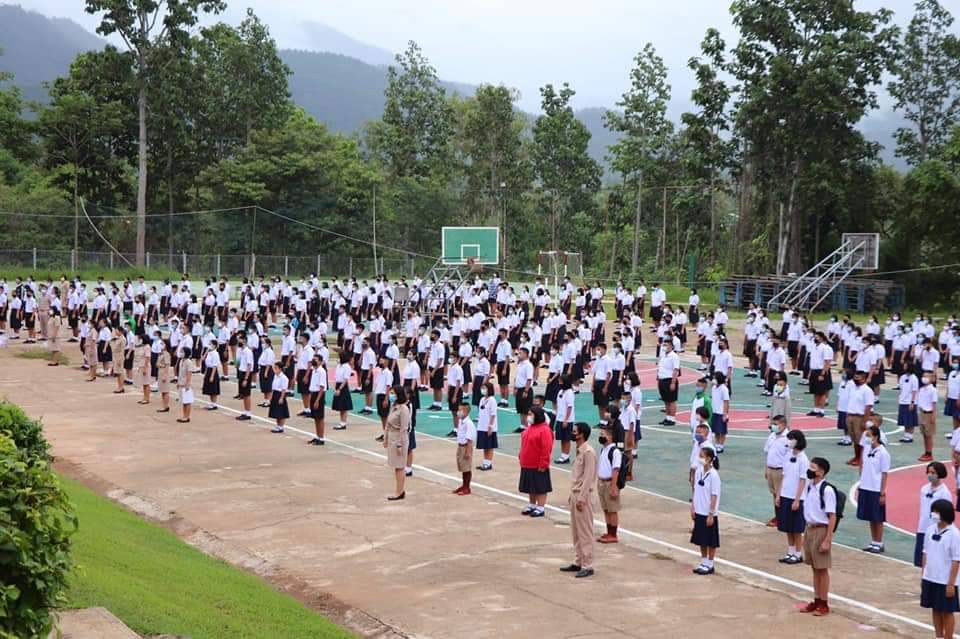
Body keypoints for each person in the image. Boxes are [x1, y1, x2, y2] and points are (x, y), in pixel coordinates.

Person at [800, 457, 837, 617]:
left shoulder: (827, 490)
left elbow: (832, 516)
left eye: (813, 468)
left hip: (821, 530)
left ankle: (824, 603)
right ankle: (816, 600)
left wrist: (827, 540)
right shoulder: (810, 486)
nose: (810, 470)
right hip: (809, 529)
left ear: (821, 472)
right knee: (814, 568)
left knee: (822, 569)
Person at [561, 422, 598, 579]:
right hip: (575, 494)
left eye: (575, 431)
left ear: (582, 434)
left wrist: (582, 498)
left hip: (583, 496)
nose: (572, 433)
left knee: (585, 532)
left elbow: (588, 478)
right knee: (576, 531)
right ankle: (578, 560)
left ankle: (587, 564)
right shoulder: (579, 451)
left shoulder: (588, 452)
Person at [921, 499, 960, 639]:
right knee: (935, 608)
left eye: (936, 511)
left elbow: (956, 560)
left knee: (947, 611)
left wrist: (951, 584)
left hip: (945, 580)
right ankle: (938, 636)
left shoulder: (954, 534)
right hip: (930, 577)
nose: (933, 514)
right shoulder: (930, 529)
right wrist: (923, 575)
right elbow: (925, 552)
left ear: (944, 513)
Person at [857, 424, 890, 553]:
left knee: (878, 518)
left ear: (876, 437)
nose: (866, 438)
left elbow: (884, 473)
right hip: (865, 486)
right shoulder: (866, 449)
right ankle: (874, 541)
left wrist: (882, 492)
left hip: (876, 489)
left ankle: (879, 542)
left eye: (869, 435)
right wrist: (860, 483)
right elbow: (863, 465)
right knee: (870, 517)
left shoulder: (883, 453)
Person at [777, 429, 809, 565]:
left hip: (797, 497)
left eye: (791, 439)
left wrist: (797, 499)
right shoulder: (788, 455)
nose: (789, 441)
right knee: (787, 526)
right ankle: (790, 551)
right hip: (785, 495)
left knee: (796, 528)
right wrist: (778, 495)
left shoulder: (803, 459)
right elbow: (783, 476)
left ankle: (798, 553)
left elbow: (803, 480)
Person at [691, 444, 721, 575]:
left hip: (708, 512)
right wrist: (693, 507)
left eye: (702, 456)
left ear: (709, 458)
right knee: (701, 539)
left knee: (710, 540)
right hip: (699, 510)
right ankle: (703, 562)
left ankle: (710, 564)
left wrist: (711, 513)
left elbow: (714, 495)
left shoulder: (714, 475)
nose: (700, 458)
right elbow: (695, 490)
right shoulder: (699, 472)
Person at [518, 405, 553, 517]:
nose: (528, 416)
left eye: (530, 414)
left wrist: (543, 463)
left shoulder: (545, 430)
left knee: (540, 486)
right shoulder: (529, 428)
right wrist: (521, 455)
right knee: (531, 486)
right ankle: (532, 504)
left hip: (538, 464)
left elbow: (546, 448)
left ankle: (541, 507)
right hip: (527, 463)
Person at [917, 462, 952, 568]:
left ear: (939, 474)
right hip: (923, 528)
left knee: (933, 561)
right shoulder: (924, 489)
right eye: (928, 472)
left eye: (933, 473)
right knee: (920, 561)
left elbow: (947, 514)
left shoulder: (944, 493)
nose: (930, 475)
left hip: (936, 529)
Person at [597, 421, 622, 544]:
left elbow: (616, 469)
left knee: (612, 509)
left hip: (609, 482)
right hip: (602, 482)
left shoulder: (615, 451)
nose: (600, 437)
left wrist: (613, 486)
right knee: (606, 509)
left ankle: (613, 534)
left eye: (603, 434)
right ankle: (609, 531)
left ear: (610, 436)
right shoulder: (603, 449)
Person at [385, 385, 411, 501]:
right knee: (396, 466)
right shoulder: (393, 406)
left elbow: (404, 428)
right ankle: (399, 490)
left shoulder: (404, 409)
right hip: (392, 438)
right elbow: (388, 424)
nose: (391, 395)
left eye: (393, 393)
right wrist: (386, 438)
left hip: (399, 439)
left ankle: (399, 491)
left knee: (400, 467)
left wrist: (399, 444)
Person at [763, 415, 789, 527]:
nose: (773, 426)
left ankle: (782, 518)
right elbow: (767, 452)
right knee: (774, 494)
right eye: (773, 424)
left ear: (784, 425)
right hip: (771, 469)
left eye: (776, 424)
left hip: (780, 470)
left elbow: (789, 457)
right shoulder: (772, 436)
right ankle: (778, 516)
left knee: (781, 495)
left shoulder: (788, 439)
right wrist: (766, 468)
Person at [452, 402, 476, 495]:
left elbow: (469, 439)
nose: (459, 412)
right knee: (462, 467)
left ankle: (467, 487)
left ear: (466, 411)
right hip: (460, 446)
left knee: (466, 468)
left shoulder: (468, 423)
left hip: (466, 447)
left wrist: (468, 452)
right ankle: (463, 485)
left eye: (460, 410)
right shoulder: (461, 421)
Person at [657, 338, 681, 425]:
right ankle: (667, 417)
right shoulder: (663, 355)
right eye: (663, 345)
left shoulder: (674, 356)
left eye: (666, 345)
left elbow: (675, 370)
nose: (664, 347)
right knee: (666, 400)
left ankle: (672, 419)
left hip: (669, 380)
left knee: (672, 400)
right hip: (662, 379)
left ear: (671, 346)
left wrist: (673, 382)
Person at [476, 381, 498, 471]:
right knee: (484, 445)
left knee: (489, 446)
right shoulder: (482, 399)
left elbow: (493, 414)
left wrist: (490, 426)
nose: (483, 390)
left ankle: (488, 463)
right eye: (482, 388)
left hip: (489, 426)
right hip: (482, 426)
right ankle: (485, 462)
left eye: (484, 388)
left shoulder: (492, 400)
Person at [554, 375, 576, 464]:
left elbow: (569, 407)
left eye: (561, 381)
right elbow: (558, 403)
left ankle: (566, 456)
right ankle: (563, 455)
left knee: (566, 438)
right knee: (562, 438)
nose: (559, 383)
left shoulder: (569, 393)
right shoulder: (560, 391)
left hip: (567, 420)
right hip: (559, 418)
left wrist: (566, 420)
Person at [918, 373, 939, 462]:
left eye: (927, 376)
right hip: (922, 413)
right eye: (923, 376)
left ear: (932, 378)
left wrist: (933, 416)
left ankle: (929, 453)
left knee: (929, 435)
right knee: (924, 434)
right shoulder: (921, 389)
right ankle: (926, 451)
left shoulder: (933, 390)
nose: (924, 378)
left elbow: (934, 404)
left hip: (929, 413)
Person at [307, 355, 327, 446]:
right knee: (315, 417)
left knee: (320, 417)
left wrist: (317, 400)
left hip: (319, 395)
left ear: (320, 361)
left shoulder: (321, 371)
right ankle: (317, 436)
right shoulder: (314, 370)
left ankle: (321, 438)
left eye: (316, 359)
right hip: (313, 394)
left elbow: (322, 387)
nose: (313, 360)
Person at [332, 350, 354, 430]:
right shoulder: (339, 365)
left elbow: (345, 379)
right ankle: (341, 421)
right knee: (340, 406)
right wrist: (335, 388)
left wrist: (339, 389)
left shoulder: (347, 367)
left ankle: (343, 423)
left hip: (343, 386)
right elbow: (336, 377)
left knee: (344, 406)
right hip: (338, 384)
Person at [898, 368, 920, 444]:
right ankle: (905, 435)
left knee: (910, 420)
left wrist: (912, 402)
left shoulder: (914, 378)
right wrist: (900, 399)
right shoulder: (902, 377)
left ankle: (910, 436)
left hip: (909, 402)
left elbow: (914, 391)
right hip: (902, 401)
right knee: (905, 420)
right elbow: (901, 389)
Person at [710, 371, 730, 453]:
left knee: (722, 431)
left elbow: (726, 402)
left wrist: (725, 414)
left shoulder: (724, 389)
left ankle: (721, 445)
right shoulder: (713, 388)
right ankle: (717, 444)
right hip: (714, 411)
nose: (713, 379)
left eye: (714, 378)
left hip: (721, 412)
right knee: (716, 430)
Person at [268, 361, 290, 433]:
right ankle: (278, 425)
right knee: (276, 412)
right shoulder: (275, 376)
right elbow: (273, 387)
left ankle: (281, 426)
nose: (274, 369)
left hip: (280, 394)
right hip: (275, 394)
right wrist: (271, 396)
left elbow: (284, 389)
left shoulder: (284, 378)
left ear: (280, 369)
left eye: (276, 368)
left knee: (281, 412)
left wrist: (281, 398)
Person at [202, 339, 222, 410]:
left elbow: (214, 366)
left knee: (213, 389)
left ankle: (214, 404)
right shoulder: (209, 353)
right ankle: (212, 403)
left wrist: (212, 376)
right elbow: (203, 359)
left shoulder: (215, 354)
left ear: (214, 346)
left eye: (210, 344)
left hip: (213, 371)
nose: (209, 345)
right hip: (208, 370)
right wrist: (206, 351)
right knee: (209, 389)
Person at [177, 346, 193, 423]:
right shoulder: (181, 361)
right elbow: (180, 373)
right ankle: (184, 416)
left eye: (182, 352)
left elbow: (189, 374)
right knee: (183, 401)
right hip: (181, 383)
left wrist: (187, 384)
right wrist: (178, 382)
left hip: (186, 384)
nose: (181, 353)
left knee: (187, 401)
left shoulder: (189, 362)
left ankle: (187, 417)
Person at [156, 339, 172, 413]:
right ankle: (164, 405)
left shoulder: (166, 354)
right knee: (162, 390)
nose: (161, 345)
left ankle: (166, 406)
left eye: (162, 343)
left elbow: (167, 365)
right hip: (160, 372)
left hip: (164, 372)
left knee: (165, 390)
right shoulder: (161, 353)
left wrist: (165, 375)